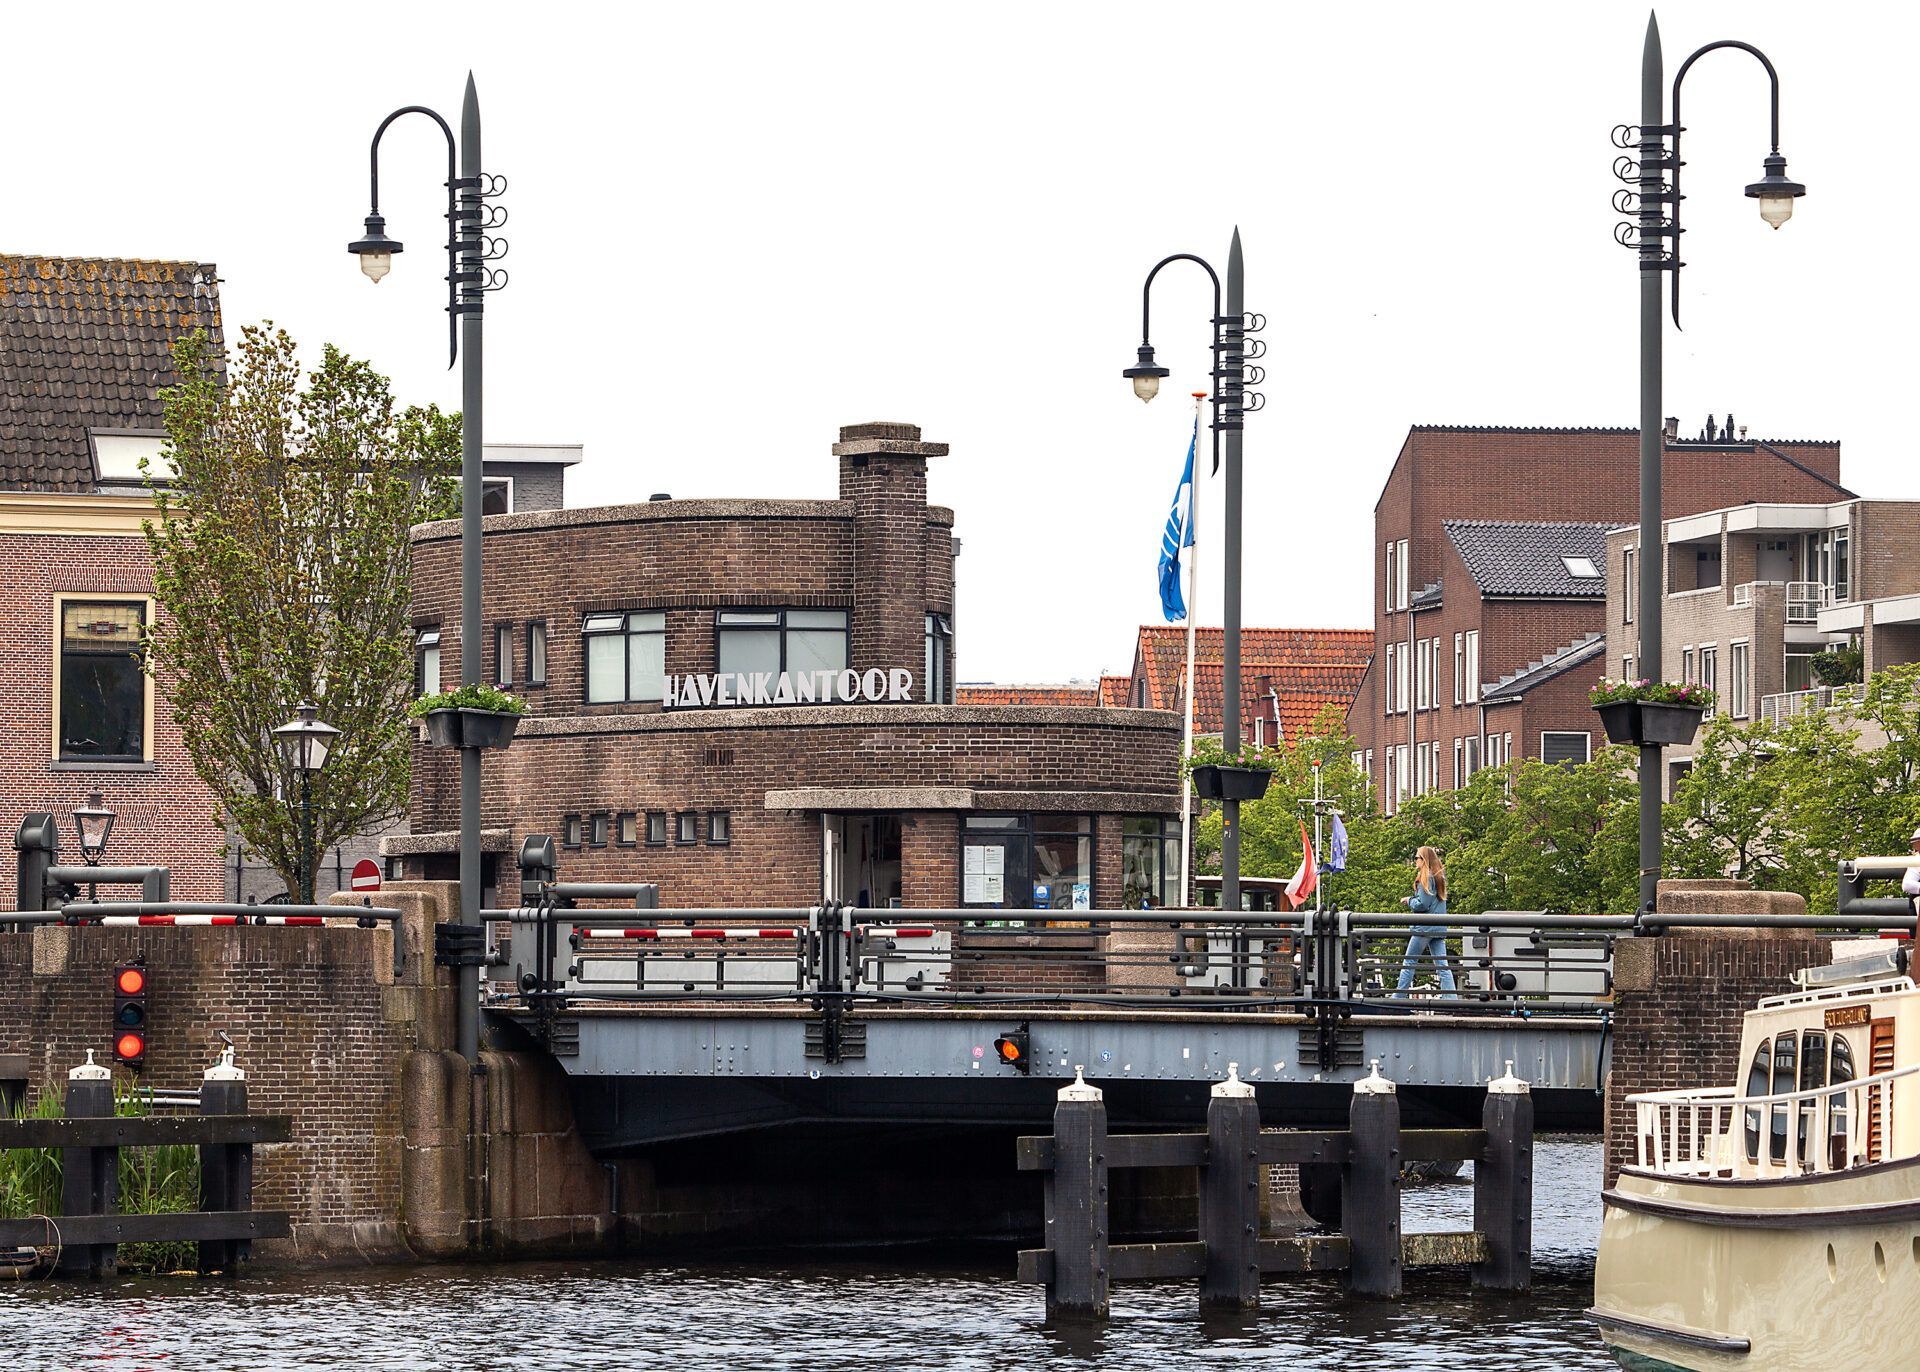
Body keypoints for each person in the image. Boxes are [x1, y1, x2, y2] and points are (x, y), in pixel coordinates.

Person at [1394, 845, 1455, 998]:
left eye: (1417, 858)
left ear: (1424, 860)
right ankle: (1451, 998)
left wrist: (1409, 900)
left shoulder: (1426, 877)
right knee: (1442, 965)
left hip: (1425, 927)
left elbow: (1423, 904)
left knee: (1409, 962)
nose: (1415, 861)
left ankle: (1398, 997)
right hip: (1438, 927)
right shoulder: (1439, 876)